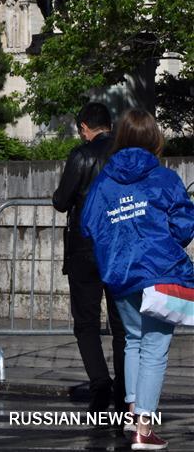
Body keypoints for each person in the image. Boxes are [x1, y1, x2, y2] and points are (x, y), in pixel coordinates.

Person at [82, 109, 194, 451]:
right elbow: (185, 226)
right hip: (158, 271)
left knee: (133, 341)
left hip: (120, 273)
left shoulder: (104, 181)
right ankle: (144, 428)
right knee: (155, 349)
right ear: (154, 138)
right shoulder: (164, 179)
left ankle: (133, 414)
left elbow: (88, 224)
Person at [53, 102, 126, 415]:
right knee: (122, 326)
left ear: (84, 127)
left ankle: (99, 384)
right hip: (119, 249)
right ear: (110, 125)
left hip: (85, 248)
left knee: (86, 323)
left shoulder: (80, 156)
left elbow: (61, 200)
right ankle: (124, 390)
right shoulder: (125, 155)